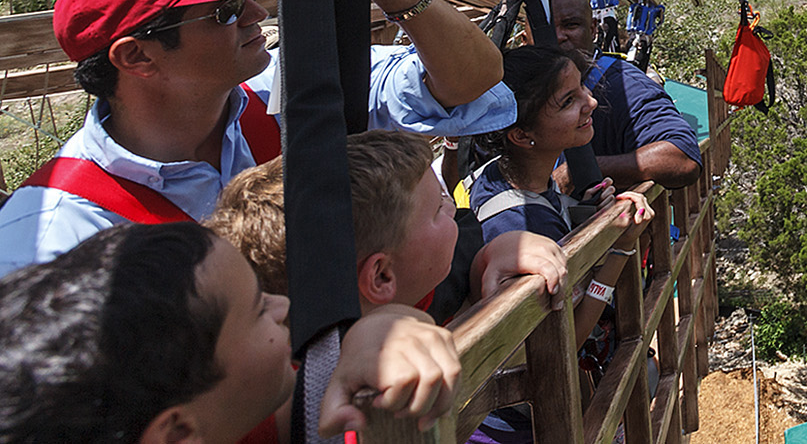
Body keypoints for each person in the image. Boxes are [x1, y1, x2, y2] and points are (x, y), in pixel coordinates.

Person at [0, 0, 513, 274]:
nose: (256, 15)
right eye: (225, 11)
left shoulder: (284, 92)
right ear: (136, 58)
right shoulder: (53, 233)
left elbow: (472, 84)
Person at [208, 130, 567, 444]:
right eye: (438, 209)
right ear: (381, 277)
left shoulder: (403, 293)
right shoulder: (275, 411)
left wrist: (489, 258)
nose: (453, 207)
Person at [0, 220, 457, 444]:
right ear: (176, 433)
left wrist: (383, 326)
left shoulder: (226, 414)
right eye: (259, 309)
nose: (284, 307)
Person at [461, 45, 655, 444]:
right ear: (521, 134)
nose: (591, 102)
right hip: (522, 424)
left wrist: (584, 212)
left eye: (582, 88)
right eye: (569, 101)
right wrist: (619, 247)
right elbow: (568, 338)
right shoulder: (518, 225)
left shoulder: (498, 174)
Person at [548, 0, 701, 193]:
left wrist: (579, 171)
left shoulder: (624, 85)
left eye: (570, 25)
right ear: (524, 36)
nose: (558, 36)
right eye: (545, 27)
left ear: (593, 29)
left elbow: (681, 157)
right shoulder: (520, 89)